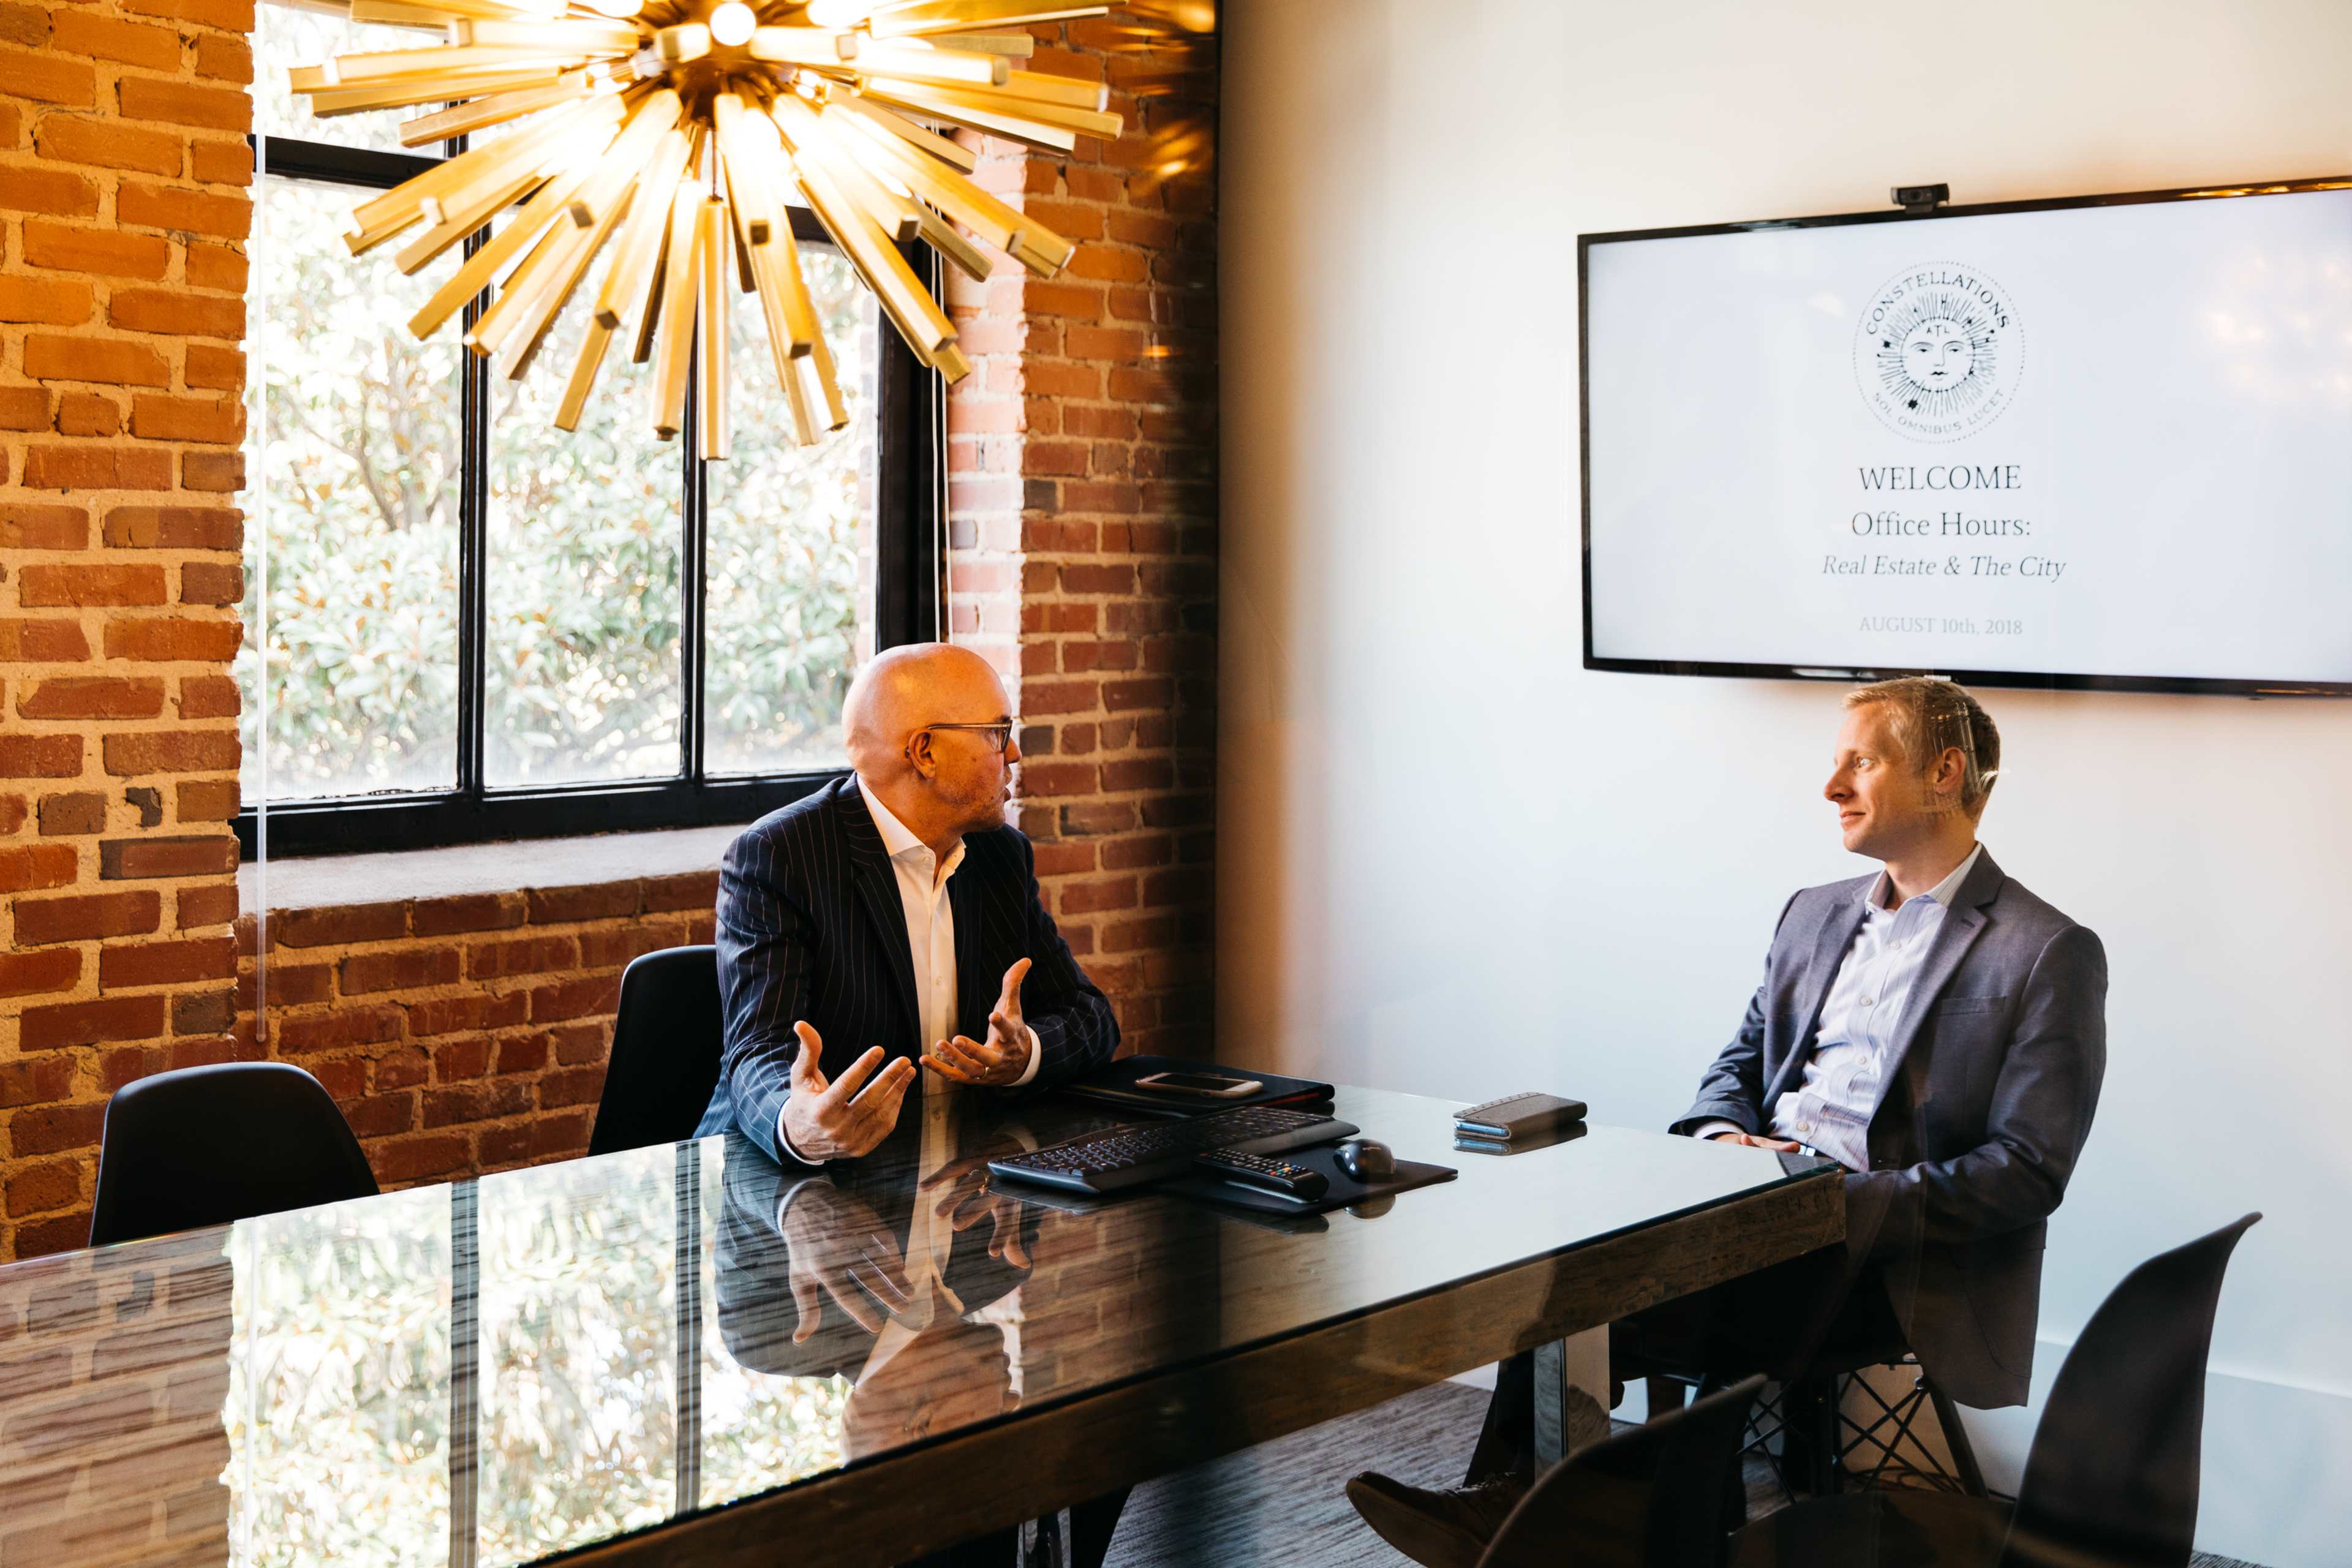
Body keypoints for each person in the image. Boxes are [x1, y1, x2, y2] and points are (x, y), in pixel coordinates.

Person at [1348, 677, 2108, 1568]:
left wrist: (1837, 1201)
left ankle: (1572, 1528)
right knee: (1572, 1260)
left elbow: (2028, 1170)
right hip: (1748, 1197)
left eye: (1861, 762)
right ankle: (1527, 1507)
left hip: (1887, 1250)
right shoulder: (1815, 912)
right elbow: (1734, 1070)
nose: (1832, 787)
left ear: (1945, 773)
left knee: (1712, 1289)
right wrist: (1720, 1142)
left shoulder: (2045, 950)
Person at [696, 641, 1121, 1163]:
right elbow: (758, 1052)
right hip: (783, 1182)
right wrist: (800, 1121)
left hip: (961, 1185)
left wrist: (1025, 1053)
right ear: (925, 753)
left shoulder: (999, 856)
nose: (1012, 754)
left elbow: (1091, 1015)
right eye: (997, 732)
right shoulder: (780, 856)